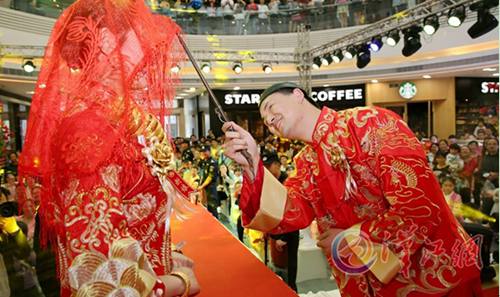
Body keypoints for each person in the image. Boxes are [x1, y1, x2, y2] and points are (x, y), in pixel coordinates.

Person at [223, 82, 482, 296]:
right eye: (264, 121)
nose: (268, 120)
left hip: (427, 271)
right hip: (363, 281)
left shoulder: (370, 122)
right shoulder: (305, 161)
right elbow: (287, 214)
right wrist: (253, 165)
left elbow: (420, 207)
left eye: (270, 107)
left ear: (298, 95)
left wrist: (349, 239)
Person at [17, 1, 200, 296]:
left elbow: (121, 227)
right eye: (136, 36)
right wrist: (181, 282)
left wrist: (160, 260)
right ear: (104, 45)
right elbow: (98, 278)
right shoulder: (89, 128)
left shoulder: (111, 120)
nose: (147, 50)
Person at [262, 151, 299, 292]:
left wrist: (282, 237)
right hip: (274, 230)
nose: (265, 169)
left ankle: (292, 290)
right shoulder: (269, 181)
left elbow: (292, 211)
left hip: (289, 231)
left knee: (289, 265)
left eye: (268, 166)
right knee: (275, 265)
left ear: (277, 165)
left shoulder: (288, 181)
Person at [198, 144, 220, 218]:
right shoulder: (204, 161)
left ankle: (216, 225)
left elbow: (210, 177)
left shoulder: (213, 162)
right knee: (206, 207)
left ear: (209, 151)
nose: (203, 153)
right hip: (204, 187)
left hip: (211, 187)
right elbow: (202, 173)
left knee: (212, 207)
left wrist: (202, 186)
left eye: (205, 151)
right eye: (202, 152)